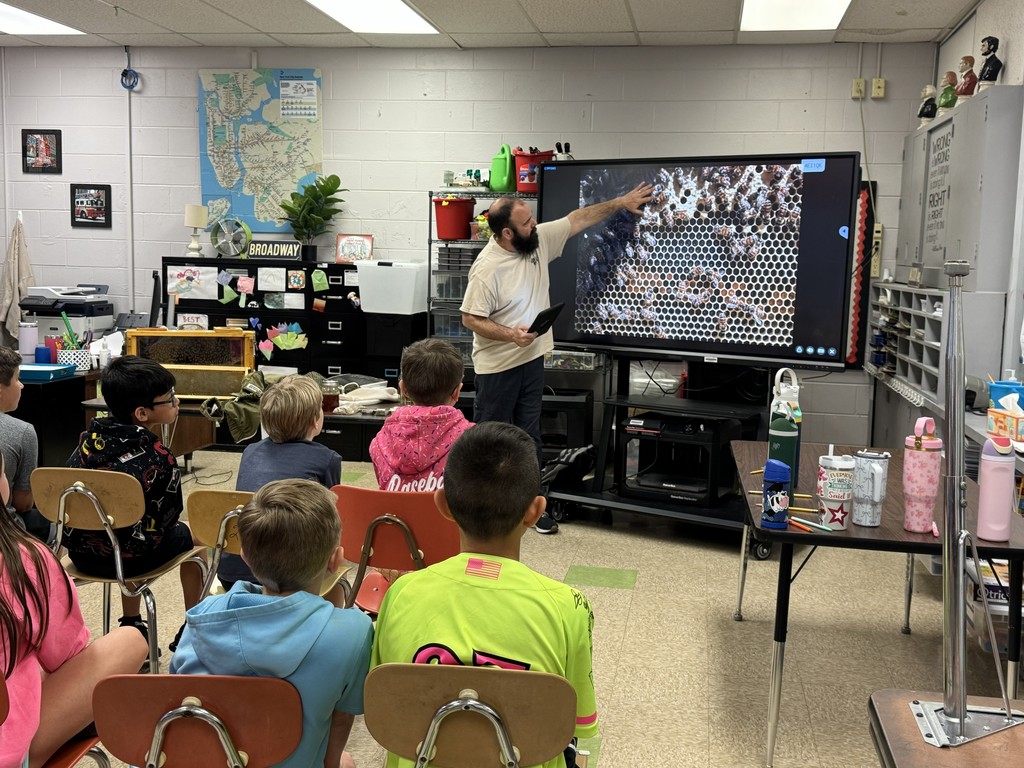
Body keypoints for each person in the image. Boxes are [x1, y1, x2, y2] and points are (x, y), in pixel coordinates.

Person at [371, 422, 598, 768]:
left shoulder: (401, 592)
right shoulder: (570, 606)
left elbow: (384, 705)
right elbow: (576, 721)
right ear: (536, 511)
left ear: (442, 504)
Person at [460, 184, 653, 533]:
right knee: (492, 441)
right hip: (498, 367)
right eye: (526, 222)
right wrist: (511, 335)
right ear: (506, 233)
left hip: (532, 359)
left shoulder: (536, 240)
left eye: (532, 219)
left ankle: (531, 506)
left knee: (529, 436)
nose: (535, 224)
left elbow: (578, 218)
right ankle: (485, 515)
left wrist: (621, 202)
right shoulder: (487, 269)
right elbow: (470, 318)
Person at [170, 479, 373, 768]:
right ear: (335, 560)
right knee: (346, 761)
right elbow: (341, 722)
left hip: (210, 760)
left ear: (245, 557)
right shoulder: (353, 632)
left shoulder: (202, 615)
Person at [0, 452, 148, 768]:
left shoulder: (85, 448)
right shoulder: (24, 559)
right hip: (9, 748)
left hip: (85, 556)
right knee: (131, 640)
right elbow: (66, 656)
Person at [63, 355, 203, 648]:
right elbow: (168, 519)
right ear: (142, 413)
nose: (176, 403)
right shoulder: (159, 457)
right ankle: (195, 625)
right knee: (199, 536)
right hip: (132, 560)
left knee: (125, 529)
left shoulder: (86, 442)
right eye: (170, 399)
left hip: (82, 555)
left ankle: (132, 622)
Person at [217, 374, 342, 592]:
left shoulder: (250, 452)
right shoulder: (327, 459)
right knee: (339, 581)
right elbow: (331, 517)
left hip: (234, 569)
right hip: (294, 575)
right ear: (315, 419)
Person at [369, 338, 472, 492]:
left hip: (394, 516)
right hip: (444, 516)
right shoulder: (473, 441)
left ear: (403, 389)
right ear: (457, 392)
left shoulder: (379, 442)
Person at [0, 346, 51, 544]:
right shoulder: (22, 432)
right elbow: (22, 504)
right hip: (8, 538)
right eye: (17, 379)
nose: (21, 386)